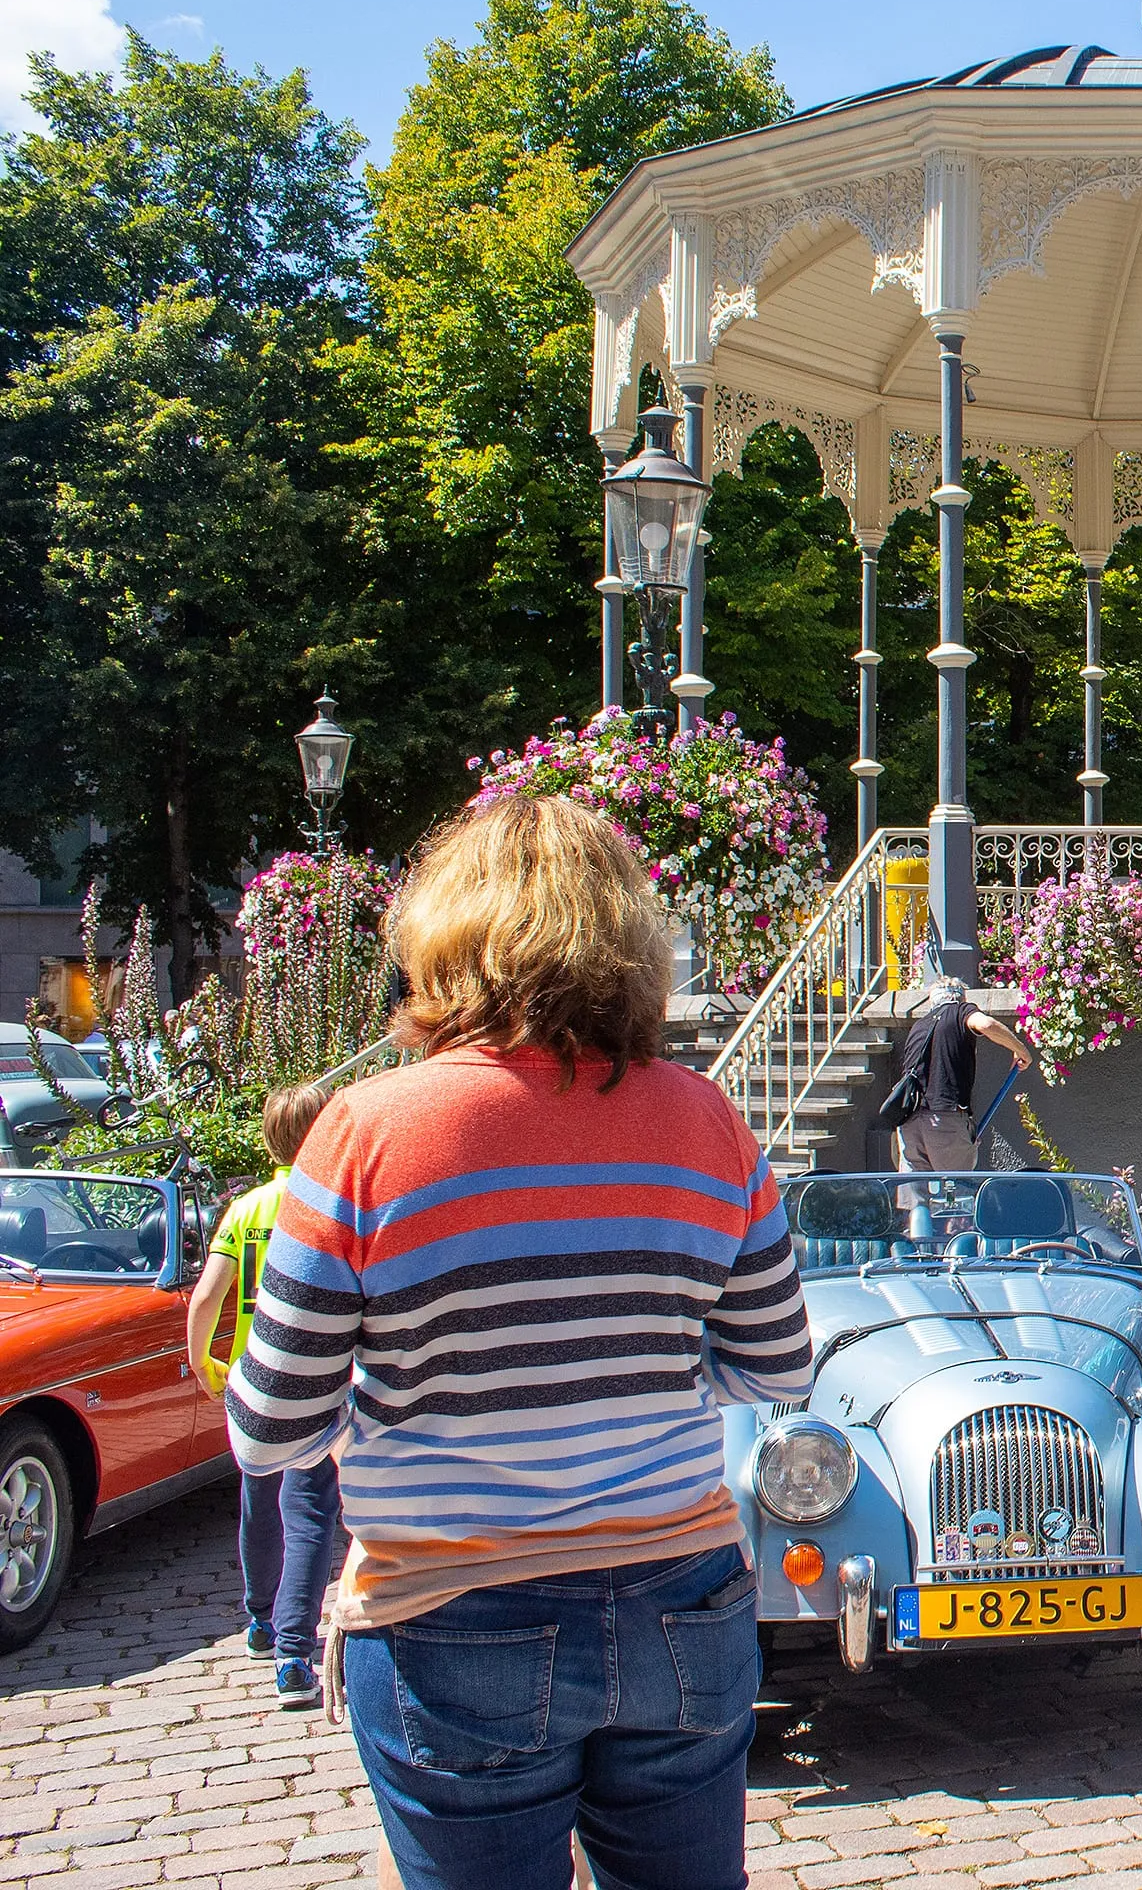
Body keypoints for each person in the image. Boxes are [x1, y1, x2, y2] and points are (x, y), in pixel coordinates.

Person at [226, 794, 815, 1890]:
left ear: (444, 937)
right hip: (680, 1593)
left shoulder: (365, 1131)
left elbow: (271, 1428)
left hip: (455, 1608)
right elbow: (778, 1363)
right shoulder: (707, 1118)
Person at [186, 1079, 342, 1709]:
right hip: (316, 1376)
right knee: (309, 1513)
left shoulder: (247, 1208)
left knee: (258, 1501)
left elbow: (206, 1298)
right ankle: (295, 1653)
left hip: (253, 1375)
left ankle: (258, 1619)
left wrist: (204, 1361)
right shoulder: (329, 1208)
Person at [892, 974, 1034, 1171]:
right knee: (958, 1191)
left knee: (915, 1193)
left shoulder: (919, 1025)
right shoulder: (960, 1011)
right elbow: (986, 1024)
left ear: (932, 1001)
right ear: (960, 997)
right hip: (945, 1119)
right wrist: (1021, 1050)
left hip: (909, 1123)